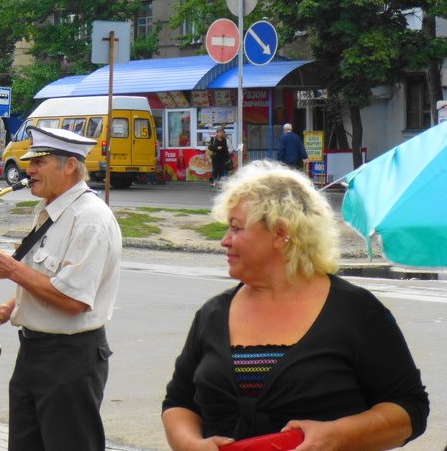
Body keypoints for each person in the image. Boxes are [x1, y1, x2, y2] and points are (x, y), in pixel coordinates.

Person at [161, 160, 429, 450]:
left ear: (280, 234)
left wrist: (337, 435)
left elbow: (409, 408)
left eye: (236, 228)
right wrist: (189, 444)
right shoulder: (213, 314)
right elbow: (178, 401)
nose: (225, 241)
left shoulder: (357, 312)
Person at [0, 125, 121, 451]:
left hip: (70, 357)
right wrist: (12, 306)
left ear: (70, 165)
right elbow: (49, 275)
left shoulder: (90, 218)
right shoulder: (52, 210)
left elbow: (73, 301)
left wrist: (10, 269)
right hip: (34, 352)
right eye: (30, 162)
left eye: (39, 162)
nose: (29, 169)